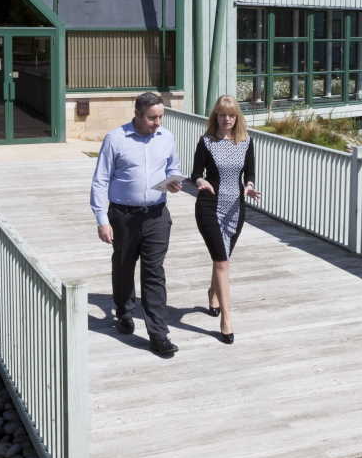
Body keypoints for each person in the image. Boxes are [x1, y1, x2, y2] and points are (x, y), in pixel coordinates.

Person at [89, 92, 184, 359]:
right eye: (153, 118)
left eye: (161, 117)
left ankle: (158, 334)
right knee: (123, 265)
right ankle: (124, 311)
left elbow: (172, 168)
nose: (158, 123)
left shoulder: (166, 137)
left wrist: (173, 182)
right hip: (123, 216)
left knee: (154, 272)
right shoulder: (115, 139)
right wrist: (101, 220)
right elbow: (100, 181)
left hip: (156, 216)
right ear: (138, 115)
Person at [190, 95, 260, 345]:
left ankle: (213, 293)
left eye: (231, 115)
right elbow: (195, 173)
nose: (227, 119)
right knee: (222, 261)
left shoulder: (246, 141)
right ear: (215, 117)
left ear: (237, 118)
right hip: (209, 206)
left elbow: (249, 171)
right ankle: (227, 320)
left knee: (223, 258)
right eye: (222, 114)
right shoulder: (206, 141)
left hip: (235, 208)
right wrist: (200, 181)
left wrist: (249, 185)